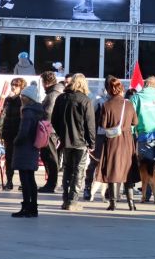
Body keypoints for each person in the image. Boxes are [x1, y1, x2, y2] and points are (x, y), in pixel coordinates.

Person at [51, 73, 95, 211]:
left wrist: (61, 134)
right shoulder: (85, 100)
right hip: (80, 141)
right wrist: (91, 142)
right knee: (79, 171)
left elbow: (54, 120)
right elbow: (90, 124)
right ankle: (73, 201)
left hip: (66, 140)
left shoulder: (61, 98)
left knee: (67, 169)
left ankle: (65, 199)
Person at [94, 77, 139, 211]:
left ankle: (113, 203)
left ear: (108, 90)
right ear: (121, 89)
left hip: (113, 140)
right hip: (127, 140)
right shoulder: (129, 104)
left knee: (113, 169)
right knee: (128, 170)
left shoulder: (106, 105)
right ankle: (131, 203)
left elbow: (102, 125)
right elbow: (135, 122)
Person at [10, 83, 45, 218]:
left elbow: (24, 131)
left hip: (24, 148)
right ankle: (33, 207)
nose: (20, 97)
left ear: (27, 98)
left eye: (22, 96)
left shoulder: (27, 111)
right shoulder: (38, 110)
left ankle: (26, 207)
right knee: (30, 178)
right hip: (33, 147)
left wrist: (16, 141)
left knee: (25, 179)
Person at [38, 71, 64, 193]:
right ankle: (51, 182)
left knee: (50, 157)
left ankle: (51, 183)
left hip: (49, 130)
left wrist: (39, 113)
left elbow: (49, 113)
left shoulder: (53, 95)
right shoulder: (54, 93)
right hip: (50, 129)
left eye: (42, 82)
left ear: (46, 82)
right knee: (47, 156)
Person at [0, 78, 27, 190]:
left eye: (16, 85)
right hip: (8, 132)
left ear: (21, 88)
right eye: (12, 85)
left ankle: (22, 182)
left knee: (20, 158)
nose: (13, 87)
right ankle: (9, 181)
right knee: (9, 158)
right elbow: (3, 116)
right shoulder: (8, 100)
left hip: (18, 132)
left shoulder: (23, 100)